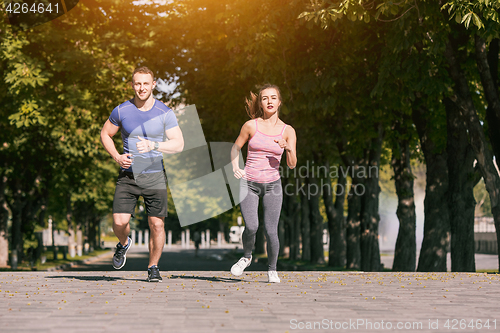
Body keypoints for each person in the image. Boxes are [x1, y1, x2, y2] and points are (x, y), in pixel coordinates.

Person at [100, 66, 184, 282]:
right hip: (128, 175)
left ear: (153, 84)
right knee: (119, 222)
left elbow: (179, 144)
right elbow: (105, 134)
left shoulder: (165, 112)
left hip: (154, 175)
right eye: (137, 83)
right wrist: (117, 156)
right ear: (132, 85)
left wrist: (155, 145)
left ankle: (153, 267)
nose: (141, 88)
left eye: (146, 83)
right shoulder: (121, 111)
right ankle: (124, 243)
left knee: (157, 224)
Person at [230, 84, 297, 283]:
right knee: (251, 226)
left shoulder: (288, 130)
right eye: (265, 98)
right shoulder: (251, 125)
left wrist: (288, 149)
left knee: (271, 230)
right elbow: (235, 148)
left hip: (272, 185)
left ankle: (272, 269)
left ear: (279, 102)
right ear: (260, 102)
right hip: (249, 182)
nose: (269, 101)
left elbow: (292, 165)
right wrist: (236, 166)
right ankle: (247, 256)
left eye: (273, 97)